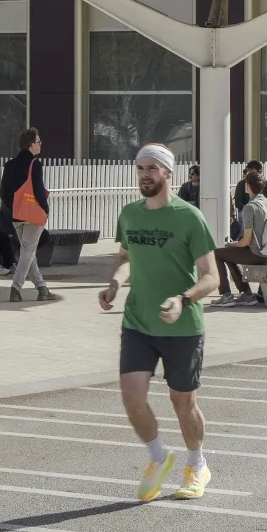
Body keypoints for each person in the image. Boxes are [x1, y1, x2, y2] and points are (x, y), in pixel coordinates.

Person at [101, 144, 219, 502]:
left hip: (182, 326)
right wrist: (115, 282)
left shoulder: (189, 217)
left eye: (153, 168)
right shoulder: (130, 215)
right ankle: (157, 457)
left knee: (183, 402)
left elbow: (211, 277)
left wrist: (183, 299)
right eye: (140, 168)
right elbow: (125, 256)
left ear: (169, 173)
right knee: (132, 398)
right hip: (138, 321)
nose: (145, 174)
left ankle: (197, 465)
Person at [0, 126, 61, 304]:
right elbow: (38, 190)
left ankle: (42, 289)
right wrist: (45, 209)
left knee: (28, 251)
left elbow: (3, 191)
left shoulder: (10, 165)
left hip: (16, 214)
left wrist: (12, 207)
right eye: (38, 142)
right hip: (33, 214)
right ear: (31, 144)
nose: (40, 145)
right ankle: (15, 288)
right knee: (27, 251)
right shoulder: (35, 164)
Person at [212, 173, 267, 304]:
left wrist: (232, 244)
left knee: (218, 253)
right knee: (229, 255)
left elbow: (245, 241)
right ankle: (246, 293)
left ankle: (226, 295)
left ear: (248, 186)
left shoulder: (249, 208)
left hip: (256, 253)